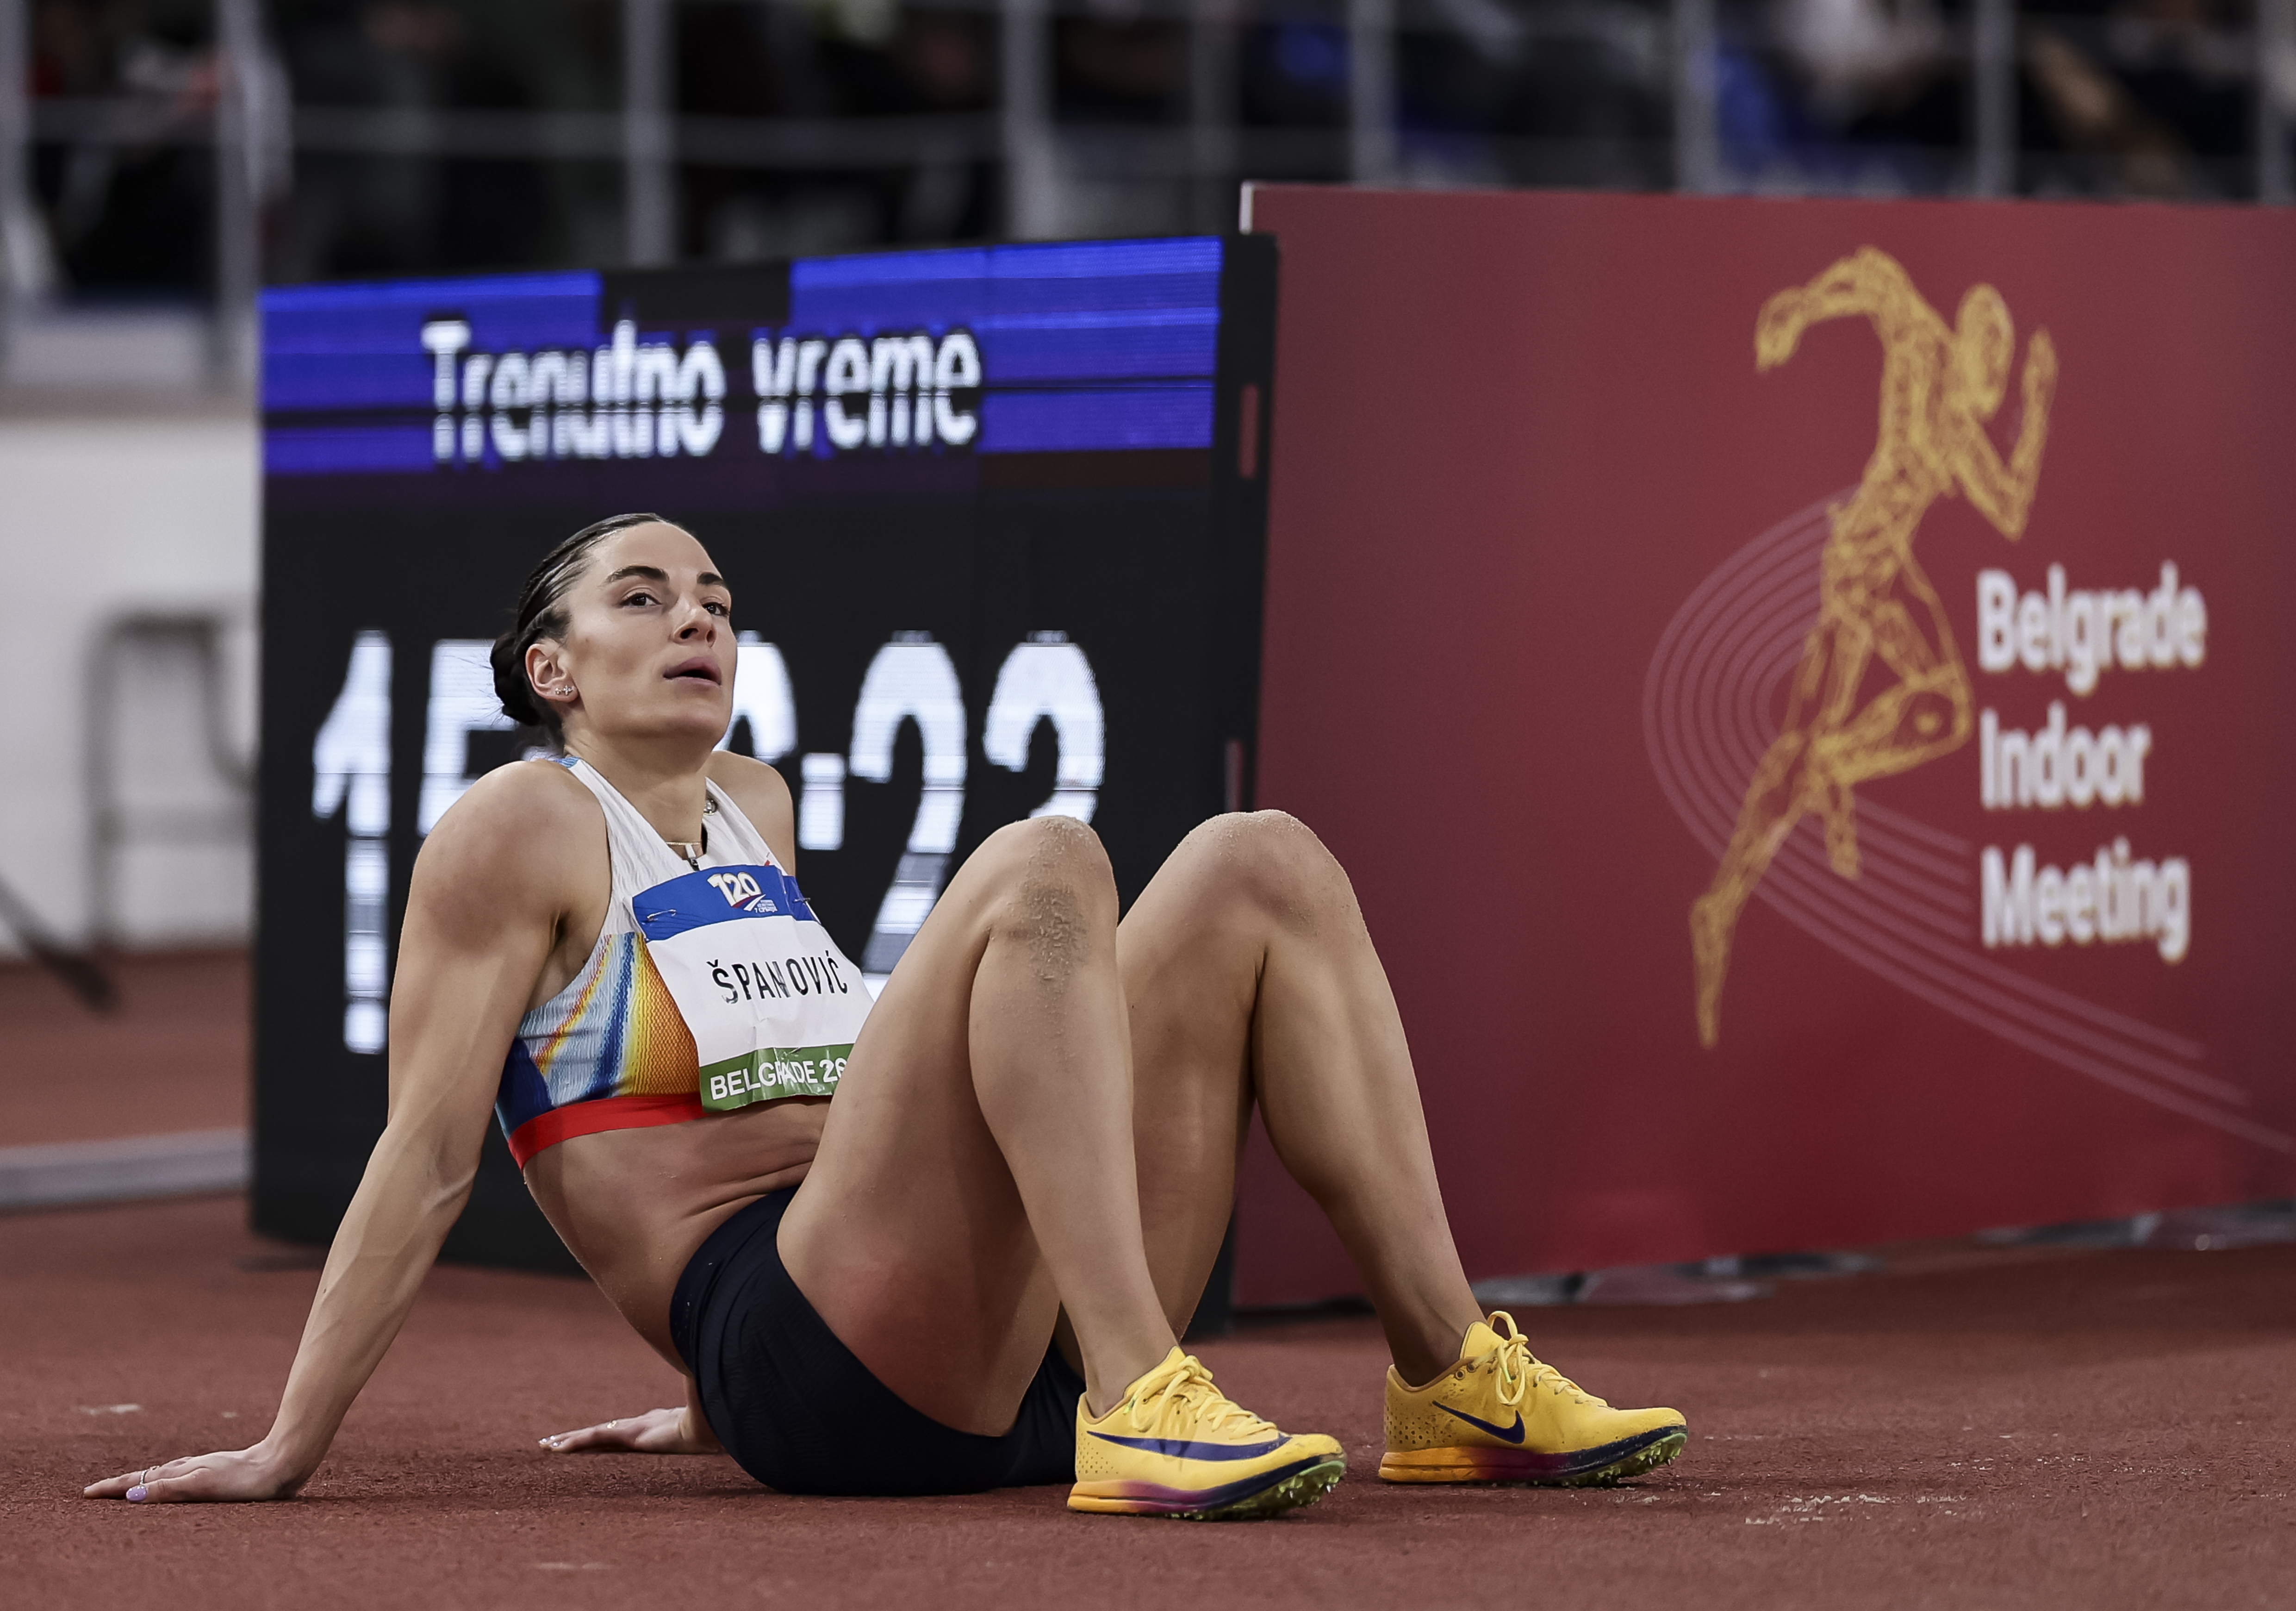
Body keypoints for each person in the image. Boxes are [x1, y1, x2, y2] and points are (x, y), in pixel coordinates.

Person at [87, 513, 1686, 1517]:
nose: (697, 619)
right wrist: (292, 1443)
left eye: (716, 598)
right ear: (550, 670)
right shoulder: (518, 831)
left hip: (971, 1353)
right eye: (642, 599)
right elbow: (430, 1159)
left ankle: (1447, 1376)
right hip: (818, 1363)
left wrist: (695, 1401)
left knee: (1256, 862)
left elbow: (795, 1081)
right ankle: (1145, 1394)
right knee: (1043, 857)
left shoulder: (756, 804)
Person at [1690, 247, 2055, 1048]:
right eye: (1988, 357)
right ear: (1963, 342)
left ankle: (1721, 903)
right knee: (1941, 708)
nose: (1990, 379)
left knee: (1805, 741)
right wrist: (1799, 302)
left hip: (1873, 570)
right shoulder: (1922, 347)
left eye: (2000, 372)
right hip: (1862, 567)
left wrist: (2035, 406)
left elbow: (2012, 510)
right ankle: (1829, 777)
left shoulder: (1961, 432)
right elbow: (1877, 273)